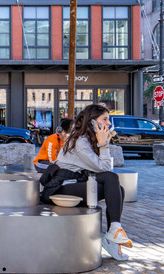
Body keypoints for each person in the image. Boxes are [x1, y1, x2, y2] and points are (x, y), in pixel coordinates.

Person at [40, 104, 131, 261]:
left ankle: (113, 236)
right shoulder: (80, 142)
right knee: (111, 178)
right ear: (93, 122)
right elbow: (104, 168)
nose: (109, 123)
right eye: (105, 119)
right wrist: (103, 145)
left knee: (118, 188)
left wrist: (102, 143)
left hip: (76, 180)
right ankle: (114, 232)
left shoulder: (88, 140)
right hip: (60, 187)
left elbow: (103, 169)